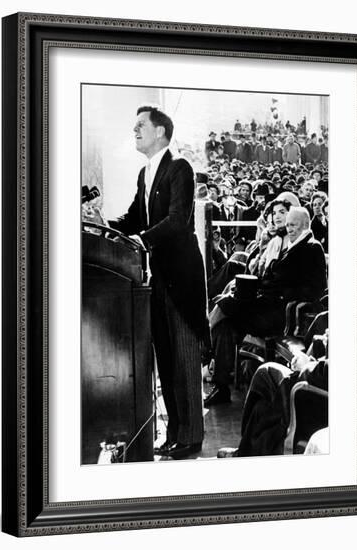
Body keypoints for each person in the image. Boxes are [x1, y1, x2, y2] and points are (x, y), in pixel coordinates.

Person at [109, 106, 208, 459]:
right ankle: (174, 434)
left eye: (141, 125)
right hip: (158, 281)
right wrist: (104, 223)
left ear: (161, 132)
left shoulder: (179, 168)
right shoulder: (144, 172)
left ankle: (192, 437)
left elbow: (178, 220)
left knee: (184, 360)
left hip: (181, 280)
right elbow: (135, 216)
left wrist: (142, 240)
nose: (134, 130)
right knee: (166, 361)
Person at [204, 207, 327, 406]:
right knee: (226, 320)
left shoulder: (311, 247)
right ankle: (221, 386)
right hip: (267, 306)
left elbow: (313, 288)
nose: (290, 229)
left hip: (281, 313)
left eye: (293, 225)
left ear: (306, 225)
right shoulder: (294, 246)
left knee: (227, 305)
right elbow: (276, 277)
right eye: (288, 225)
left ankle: (203, 341)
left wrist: (272, 285)